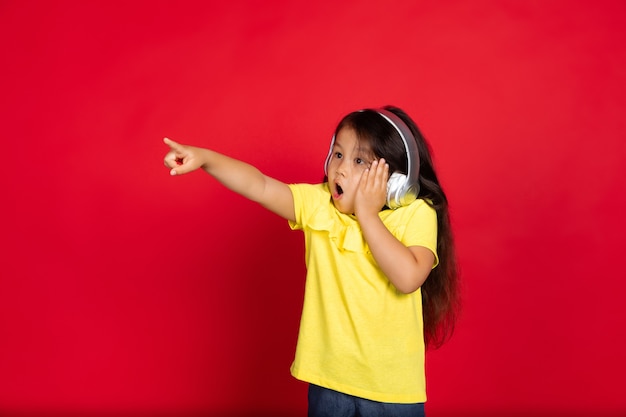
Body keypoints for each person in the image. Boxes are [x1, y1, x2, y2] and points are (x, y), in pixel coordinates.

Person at [163, 105, 460, 417]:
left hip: (391, 391)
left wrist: (368, 215)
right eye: (338, 154)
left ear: (396, 181)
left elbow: (408, 277)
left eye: (359, 160)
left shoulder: (416, 214)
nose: (341, 169)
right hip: (328, 383)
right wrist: (206, 159)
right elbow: (259, 185)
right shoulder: (320, 205)